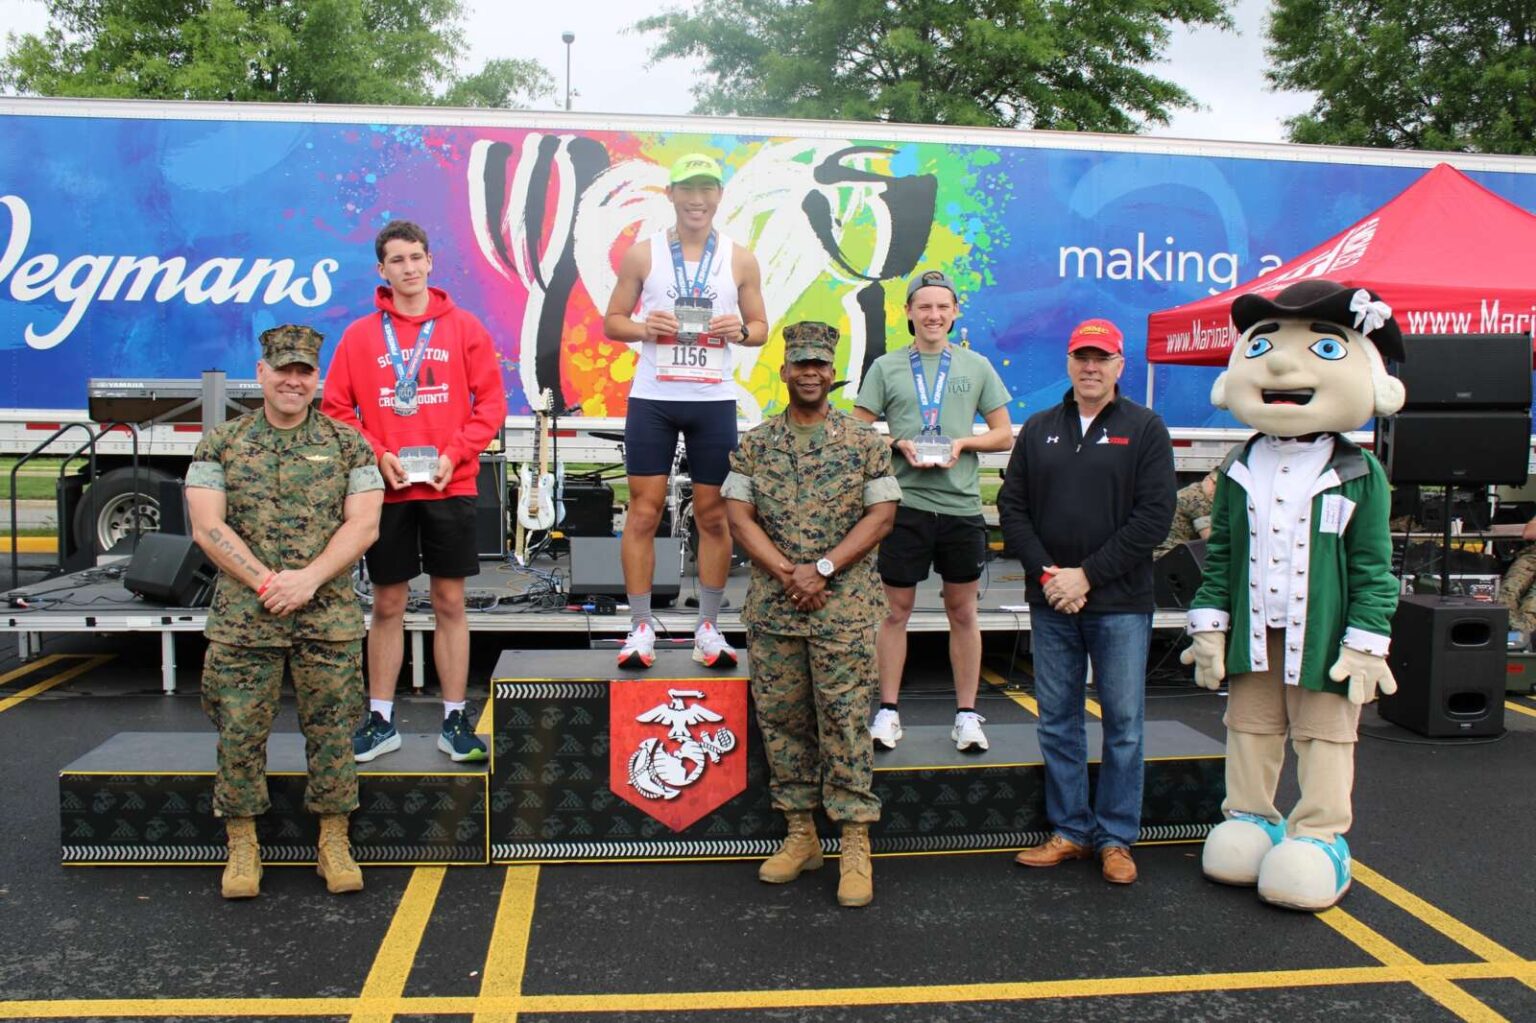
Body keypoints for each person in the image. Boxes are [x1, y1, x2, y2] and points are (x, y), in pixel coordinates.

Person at [1183, 280, 1405, 912]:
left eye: (1325, 350)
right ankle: (1251, 818)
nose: (1282, 365)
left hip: (1326, 635)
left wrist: (1367, 639)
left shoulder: (1361, 472)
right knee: (1250, 729)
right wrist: (1210, 627)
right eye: (1264, 347)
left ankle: (1319, 837)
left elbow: (1373, 565)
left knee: (1325, 735)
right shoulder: (1238, 467)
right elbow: (1221, 554)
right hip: (1257, 629)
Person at [185, 325, 385, 899]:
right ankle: (243, 846)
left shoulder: (349, 445)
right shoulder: (221, 443)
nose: (293, 381)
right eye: (283, 370)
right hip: (245, 621)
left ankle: (333, 842)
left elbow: (364, 524)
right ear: (262, 374)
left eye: (304, 372)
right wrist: (268, 583)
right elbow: (207, 525)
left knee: (333, 733)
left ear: (316, 378)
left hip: (327, 617)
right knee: (240, 733)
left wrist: (308, 581)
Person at [721, 321, 900, 907]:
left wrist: (820, 569)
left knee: (846, 721)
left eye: (820, 364)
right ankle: (801, 836)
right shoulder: (757, 442)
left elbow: (881, 518)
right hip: (776, 608)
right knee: (784, 720)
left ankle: (853, 841)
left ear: (832, 371)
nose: (810, 373)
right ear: (785, 371)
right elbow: (738, 513)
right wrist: (785, 572)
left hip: (842, 609)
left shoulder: (863, 441)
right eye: (800, 363)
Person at [322, 220, 508, 764]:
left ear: (430, 263)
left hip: (451, 484)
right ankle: (380, 720)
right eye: (397, 260)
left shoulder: (464, 327)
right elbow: (336, 409)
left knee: (451, 601)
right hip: (389, 490)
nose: (408, 268)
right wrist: (377, 455)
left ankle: (455, 719)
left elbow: (490, 405)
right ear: (381, 270)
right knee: (388, 602)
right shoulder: (360, 336)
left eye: (416, 257)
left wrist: (455, 454)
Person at [997, 318, 1175, 885]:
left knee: (1123, 724)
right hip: (1052, 600)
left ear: (1121, 366)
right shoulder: (1041, 428)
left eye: (1102, 358)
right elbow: (1013, 507)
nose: (1090, 367)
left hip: (1119, 602)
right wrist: (1051, 575)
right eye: (1082, 357)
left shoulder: (1145, 429)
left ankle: (1116, 838)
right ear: (1069, 363)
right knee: (1058, 722)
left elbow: (1154, 518)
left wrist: (1086, 577)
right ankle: (1070, 831)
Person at [603, 152, 769, 670]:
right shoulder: (643, 255)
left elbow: (760, 327)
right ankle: (639, 626)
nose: (697, 200)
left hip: (712, 398)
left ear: (719, 196)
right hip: (654, 396)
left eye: (707, 189)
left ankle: (709, 626)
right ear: (671, 194)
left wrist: (738, 332)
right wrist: (642, 329)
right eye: (687, 190)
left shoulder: (740, 259)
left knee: (714, 514)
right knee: (644, 510)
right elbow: (612, 321)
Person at [852, 270, 1013, 753]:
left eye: (943, 307)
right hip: (904, 507)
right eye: (924, 307)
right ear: (909, 313)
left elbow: (1003, 433)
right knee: (894, 611)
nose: (934, 315)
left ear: (956, 311)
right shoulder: (886, 366)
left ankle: (966, 714)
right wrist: (896, 444)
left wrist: (964, 442)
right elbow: (857, 434)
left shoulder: (976, 365)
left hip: (961, 508)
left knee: (962, 611)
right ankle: (887, 711)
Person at [1154, 470, 1217, 560]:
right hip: (1168, 553)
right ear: (1207, 479)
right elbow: (1211, 541)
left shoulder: (1196, 489)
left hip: (1177, 551)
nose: (1217, 489)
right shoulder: (1197, 500)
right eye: (1215, 484)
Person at [1499, 517, 1536, 632]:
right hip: (1533, 556)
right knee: (1508, 589)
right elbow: (1529, 533)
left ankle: (1524, 634)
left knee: (1532, 602)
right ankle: (1506, 629)